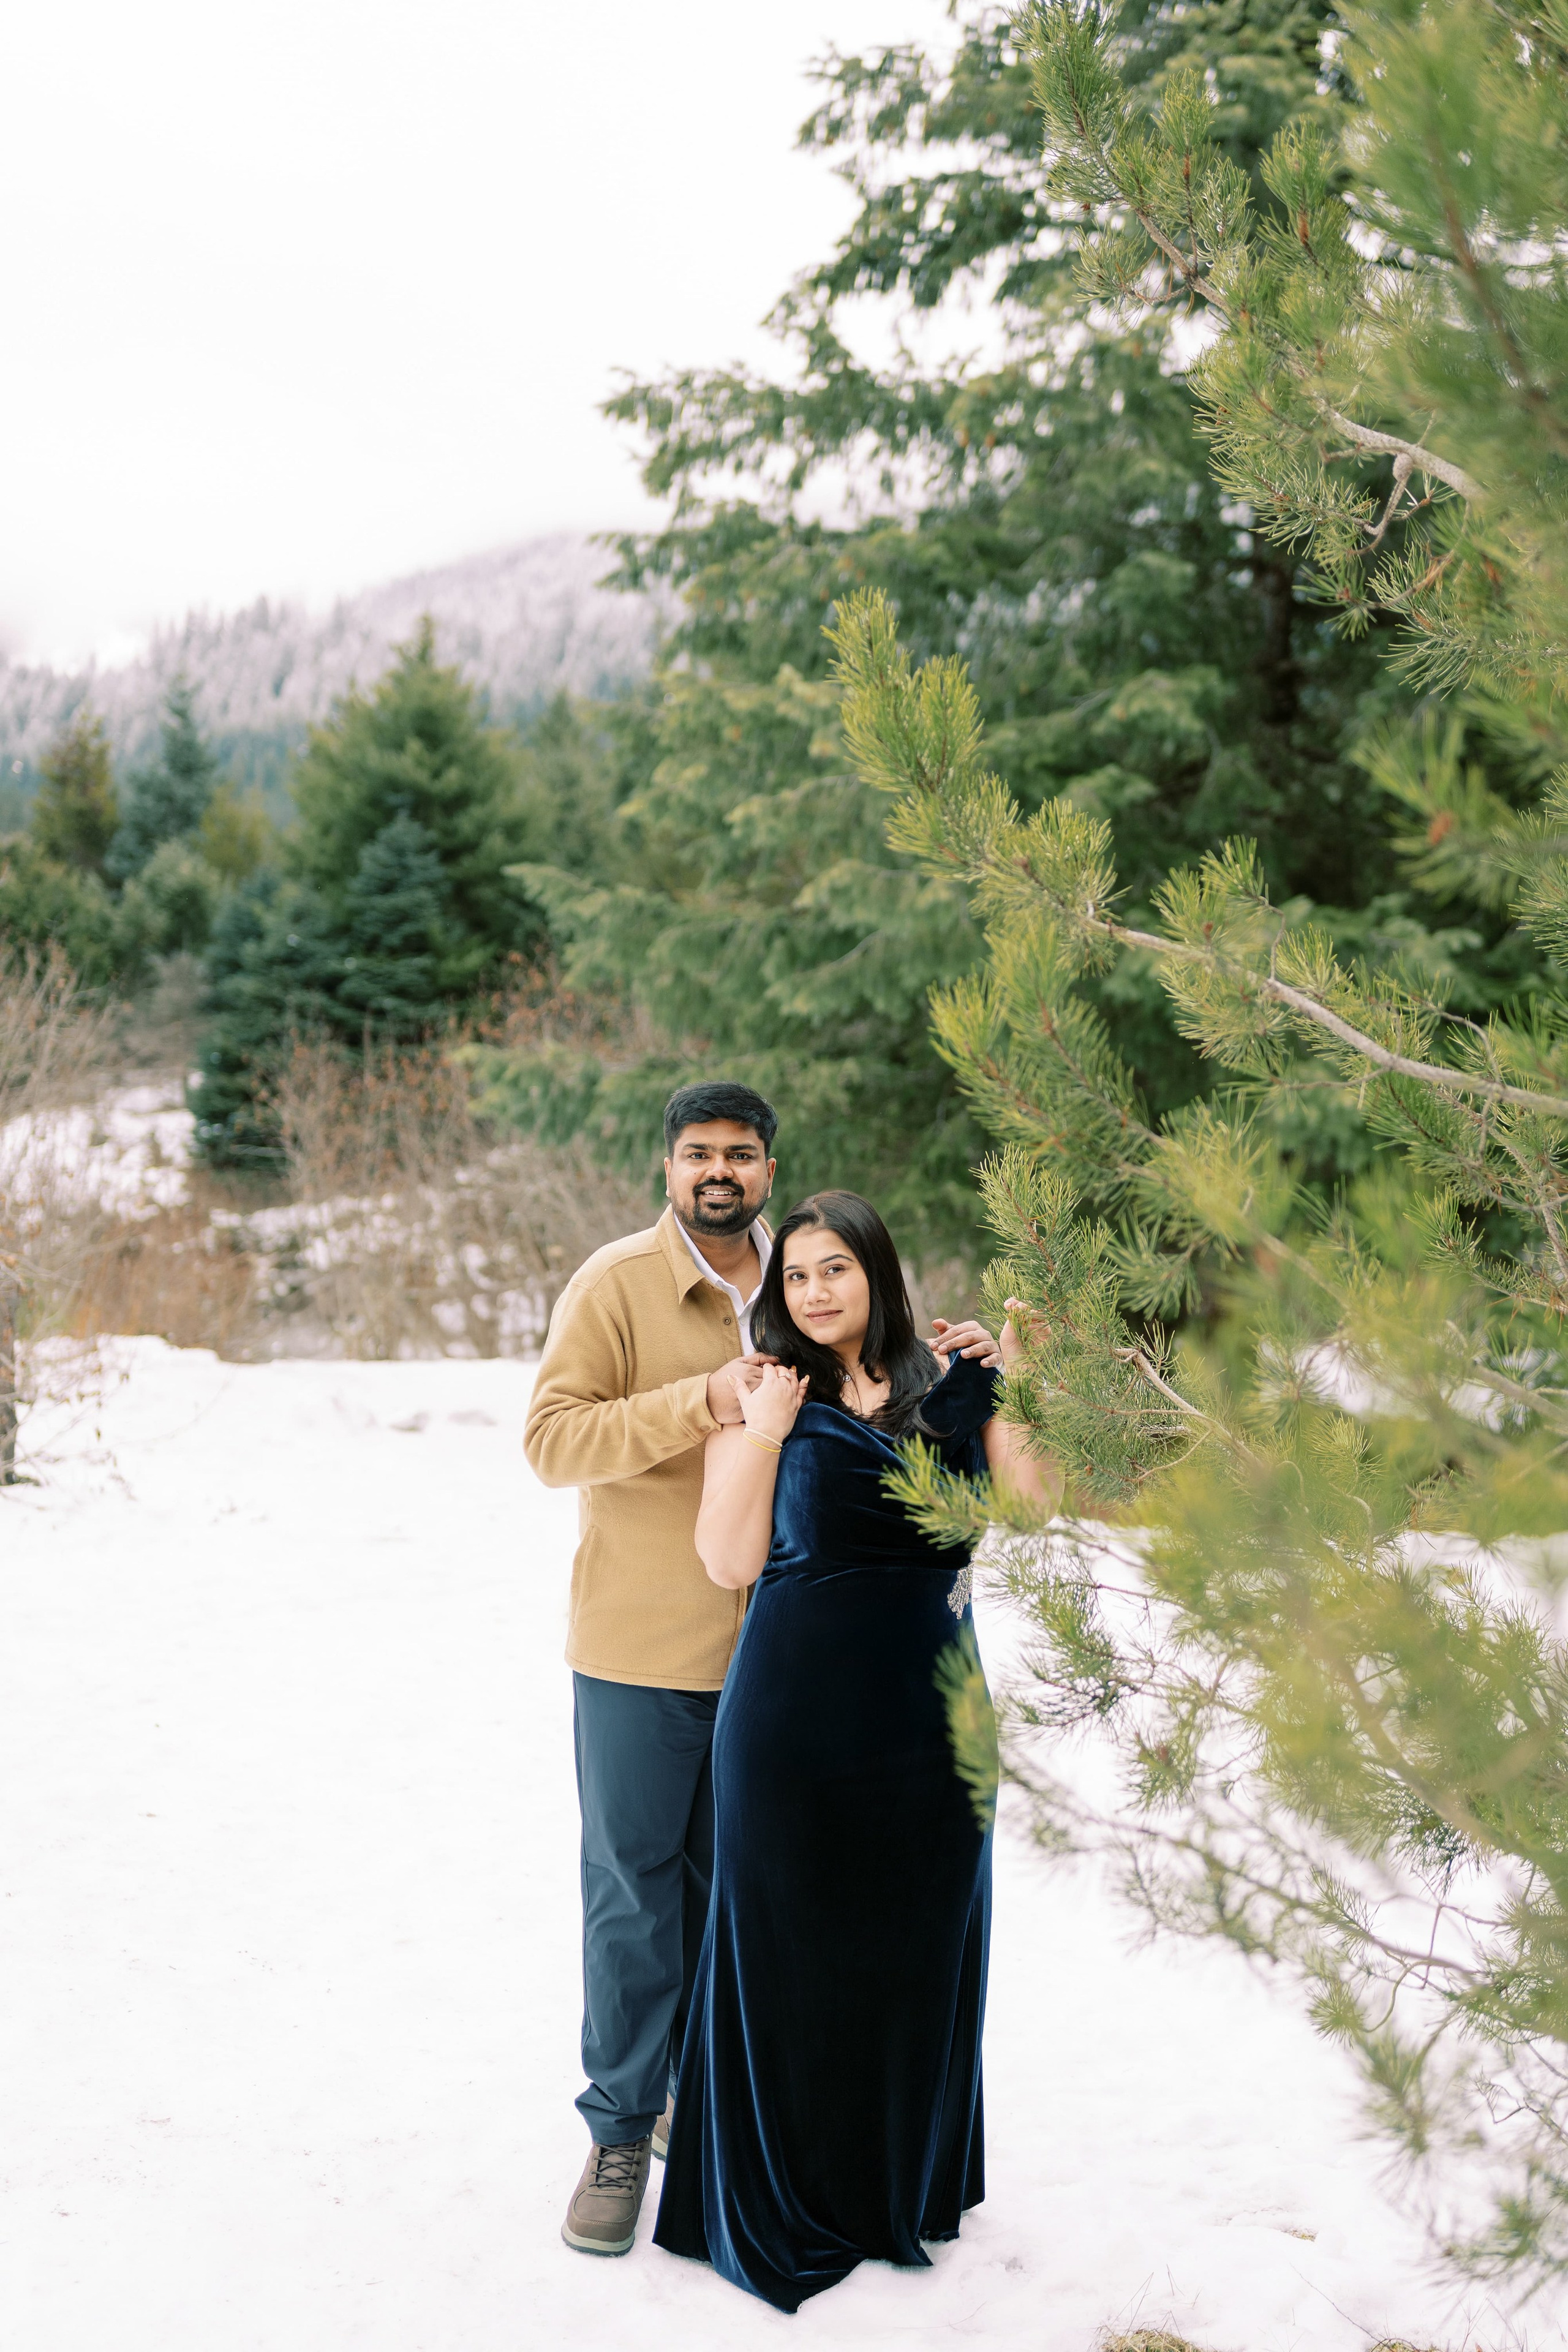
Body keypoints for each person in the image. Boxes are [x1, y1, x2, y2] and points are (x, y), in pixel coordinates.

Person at [652, 1190, 1055, 2311]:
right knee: (790, 1953)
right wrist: (764, 1432)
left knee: (919, 1946)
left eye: (835, 1268)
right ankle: (790, 2194)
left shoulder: (954, 1383)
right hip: (795, 1722)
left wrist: (1022, 1381)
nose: (815, 1291)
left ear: (877, 1271)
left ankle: (897, 2187)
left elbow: (1030, 1514)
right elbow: (729, 1560)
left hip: (934, 1723)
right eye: (795, 1276)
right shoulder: (765, 1391)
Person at [523, 1079, 781, 2258]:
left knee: (736, 1894)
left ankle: (709, 2104)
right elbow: (552, 1442)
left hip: (775, 1657)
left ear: (768, 1168)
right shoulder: (615, 1284)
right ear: (668, 1167)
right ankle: (623, 2129)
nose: (719, 1171)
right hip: (638, 1651)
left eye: (740, 1153)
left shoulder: (806, 1279)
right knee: (634, 1896)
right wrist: (700, 1400)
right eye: (698, 1153)